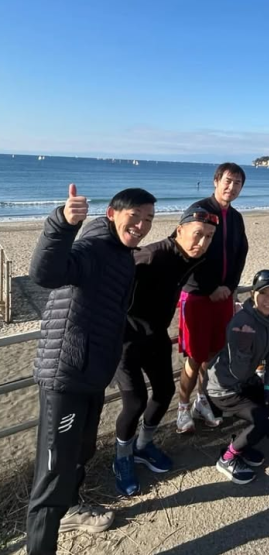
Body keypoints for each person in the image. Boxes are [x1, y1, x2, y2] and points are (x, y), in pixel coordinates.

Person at [26, 185, 156, 555]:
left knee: (81, 451)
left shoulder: (122, 254)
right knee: (53, 472)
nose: (142, 225)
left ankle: (70, 509)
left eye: (148, 219)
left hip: (93, 372)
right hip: (65, 374)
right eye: (135, 216)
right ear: (112, 213)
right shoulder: (93, 245)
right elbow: (44, 273)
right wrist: (62, 224)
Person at [112, 205, 218, 496]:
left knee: (164, 391)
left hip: (156, 335)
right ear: (179, 229)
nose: (203, 242)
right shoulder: (151, 256)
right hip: (125, 339)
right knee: (135, 402)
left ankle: (143, 445)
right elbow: (111, 283)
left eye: (209, 237)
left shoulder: (195, 257)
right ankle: (122, 457)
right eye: (198, 234)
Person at [177, 162, 249, 434]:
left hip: (224, 296)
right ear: (216, 181)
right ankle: (182, 407)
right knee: (194, 356)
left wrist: (229, 286)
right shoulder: (199, 211)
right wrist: (210, 288)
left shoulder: (236, 217)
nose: (232, 187)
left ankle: (201, 400)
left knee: (212, 354)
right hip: (197, 294)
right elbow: (186, 250)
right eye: (228, 181)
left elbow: (241, 254)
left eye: (238, 183)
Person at [207, 270, 269, 485]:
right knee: (263, 420)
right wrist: (242, 350)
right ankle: (227, 458)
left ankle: (242, 445)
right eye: (263, 293)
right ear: (252, 294)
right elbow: (238, 373)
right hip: (224, 388)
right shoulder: (241, 323)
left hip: (247, 380)